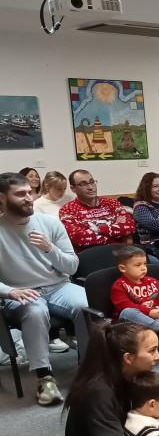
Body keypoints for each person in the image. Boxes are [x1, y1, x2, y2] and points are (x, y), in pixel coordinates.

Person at [0, 172, 88, 405]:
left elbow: (72, 265)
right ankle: (44, 378)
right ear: (1, 199)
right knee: (35, 311)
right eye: (20, 194)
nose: (28, 198)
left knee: (86, 304)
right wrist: (8, 291)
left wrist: (50, 249)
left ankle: (90, 367)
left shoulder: (50, 223)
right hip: (18, 291)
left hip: (57, 285)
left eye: (29, 192)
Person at [110, 245, 159, 342]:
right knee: (127, 312)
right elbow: (124, 305)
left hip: (155, 317)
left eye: (144, 264)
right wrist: (149, 312)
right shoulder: (119, 286)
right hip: (134, 322)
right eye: (138, 265)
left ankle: (156, 329)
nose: (143, 268)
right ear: (123, 268)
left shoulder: (153, 282)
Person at [60, 169, 137, 253]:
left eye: (92, 182)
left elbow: (130, 227)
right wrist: (115, 232)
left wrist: (98, 229)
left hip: (121, 254)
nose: (90, 187)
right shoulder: (67, 210)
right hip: (92, 256)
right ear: (73, 188)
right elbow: (80, 238)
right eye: (83, 184)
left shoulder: (112, 203)